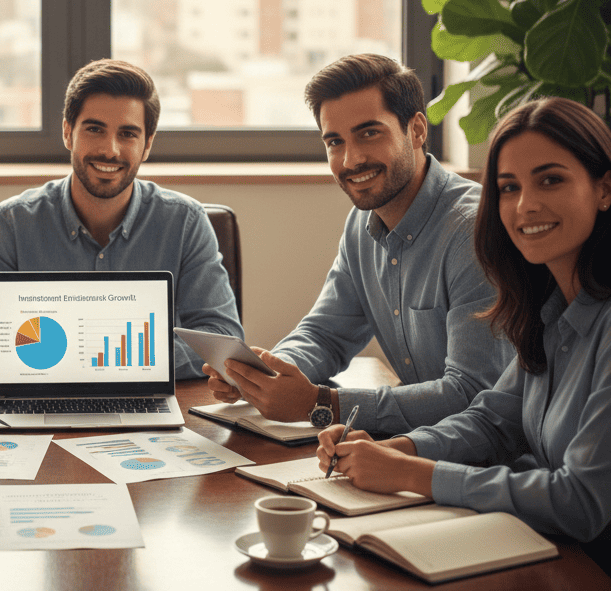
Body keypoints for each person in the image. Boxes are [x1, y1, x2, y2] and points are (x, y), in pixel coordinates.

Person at [316, 97, 611, 573]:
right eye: (508, 188)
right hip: (547, 549)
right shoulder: (548, 307)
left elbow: (581, 501)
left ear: (604, 188)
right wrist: (401, 449)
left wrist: (417, 473)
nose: (525, 205)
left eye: (550, 180)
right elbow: (495, 421)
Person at [205, 54, 512, 434]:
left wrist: (320, 404)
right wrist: (265, 374)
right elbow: (325, 334)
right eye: (335, 141)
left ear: (416, 130)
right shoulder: (363, 223)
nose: (351, 160)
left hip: (495, 457)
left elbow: (472, 394)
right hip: (424, 443)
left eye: (369, 133)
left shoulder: (472, 232)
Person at [0, 58, 243, 379]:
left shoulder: (186, 223)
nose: (110, 150)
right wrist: (56, 365)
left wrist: (101, 365)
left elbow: (221, 338)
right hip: (42, 395)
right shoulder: (13, 222)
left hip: (147, 402)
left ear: (147, 146)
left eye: (127, 134)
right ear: (68, 133)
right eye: (95, 129)